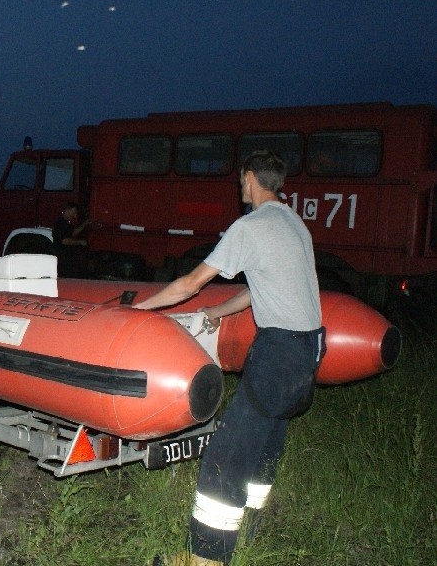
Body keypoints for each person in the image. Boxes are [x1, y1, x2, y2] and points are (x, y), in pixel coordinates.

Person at [135, 150, 325, 566]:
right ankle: (252, 525)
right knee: (267, 439)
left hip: (279, 351)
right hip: (309, 349)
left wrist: (140, 310)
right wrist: (216, 315)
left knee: (226, 454)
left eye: (242, 180)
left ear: (251, 178)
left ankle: (204, 557)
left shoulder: (250, 226)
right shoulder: (294, 224)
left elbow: (189, 283)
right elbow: (262, 288)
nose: (240, 187)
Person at [52, 202, 91, 277]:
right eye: (73, 213)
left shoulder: (67, 223)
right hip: (62, 257)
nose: (74, 216)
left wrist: (84, 224)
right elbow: (64, 241)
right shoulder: (59, 223)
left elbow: (72, 233)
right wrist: (80, 242)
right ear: (67, 211)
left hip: (66, 256)